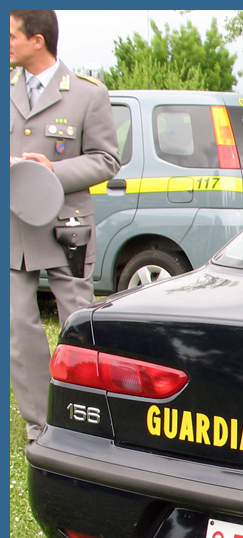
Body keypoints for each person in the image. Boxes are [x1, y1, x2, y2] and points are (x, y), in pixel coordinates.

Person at [10, 9, 119, 445]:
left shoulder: (87, 94)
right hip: (16, 229)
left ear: (38, 39)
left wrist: (51, 170)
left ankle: (86, 421)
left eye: (12, 34)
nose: (7, 42)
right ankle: (40, 426)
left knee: (79, 329)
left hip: (65, 229)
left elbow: (106, 160)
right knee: (17, 328)